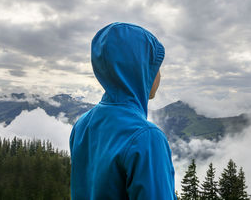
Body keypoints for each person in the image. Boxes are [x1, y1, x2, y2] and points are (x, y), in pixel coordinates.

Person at [69, 22, 177, 199]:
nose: (159, 75)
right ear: (139, 69)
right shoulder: (146, 137)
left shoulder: (82, 124)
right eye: (155, 66)